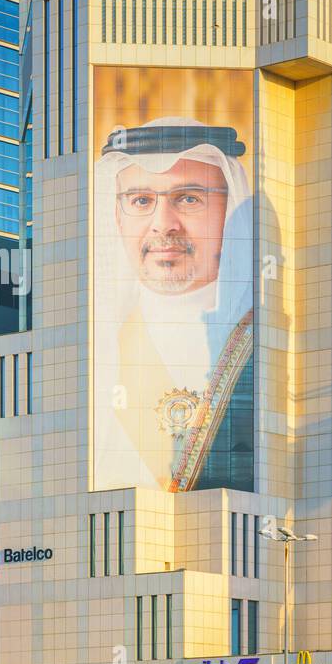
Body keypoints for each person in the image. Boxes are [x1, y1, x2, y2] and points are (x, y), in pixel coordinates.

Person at [93, 117, 254, 492]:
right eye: (141, 201)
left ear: (229, 210)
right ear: (117, 216)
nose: (164, 225)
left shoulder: (267, 344)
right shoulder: (94, 345)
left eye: (189, 198)